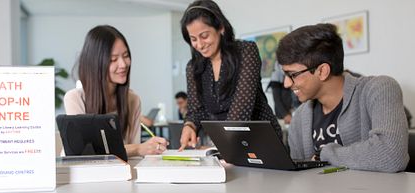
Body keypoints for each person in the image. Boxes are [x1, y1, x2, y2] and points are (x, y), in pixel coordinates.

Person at [276, 23, 409, 172]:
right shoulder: (299, 118)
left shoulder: (380, 89)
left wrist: (324, 155)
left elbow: (392, 156)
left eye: (292, 75)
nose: (286, 84)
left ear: (322, 71)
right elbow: (299, 176)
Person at [179, 0, 282, 150]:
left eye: (204, 36)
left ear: (220, 27)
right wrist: (190, 125)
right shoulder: (194, 66)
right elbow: (196, 110)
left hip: (260, 140)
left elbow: (242, 107)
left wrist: (221, 147)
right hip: (224, 145)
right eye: (193, 39)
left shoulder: (246, 51)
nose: (199, 45)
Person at [64, 25, 167, 157]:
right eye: (113, 59)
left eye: (126, 56)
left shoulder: (132, 100)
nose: (123, 64)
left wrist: (140, 149)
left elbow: (133, 157)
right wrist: (137, 149)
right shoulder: (75, 98)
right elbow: (84, 154)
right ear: (95, 63)